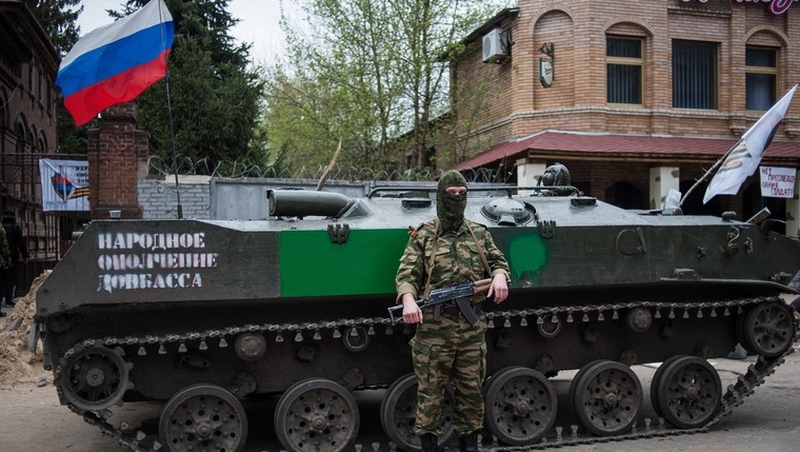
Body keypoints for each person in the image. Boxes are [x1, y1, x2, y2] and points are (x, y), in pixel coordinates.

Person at [395, 170, 509, 452]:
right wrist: (408, 300)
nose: (457, 198)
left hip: (471, 329)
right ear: (440, 195)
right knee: (431, 396)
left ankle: (469, 446)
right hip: (434, 331)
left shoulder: (479, 233)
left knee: (471, 393)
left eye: (462, 193)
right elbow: (407, 275)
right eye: (451, 194)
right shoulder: (423, 235)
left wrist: (499, 275)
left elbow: (498, 261)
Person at [1, 211, 29, 309]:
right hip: (12, 257)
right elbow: (21, 243)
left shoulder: (1, 227)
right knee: (11, 279)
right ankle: (9, 300)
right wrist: (25, 255)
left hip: (1, 258)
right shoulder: (15, 228)